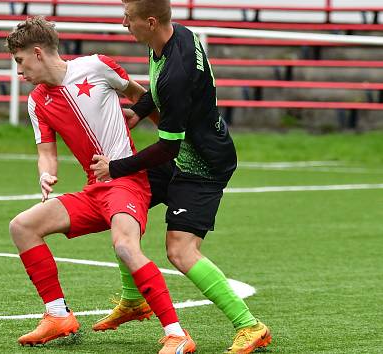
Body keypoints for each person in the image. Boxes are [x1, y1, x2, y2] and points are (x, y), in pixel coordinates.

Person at [89, 1, 272, 353]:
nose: (124, 22)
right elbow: (163, 96)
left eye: (129, 17)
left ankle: (251, 326)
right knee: (124, 202)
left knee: (181, 251)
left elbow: (167, 149)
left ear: (151, 21)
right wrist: (138, 112)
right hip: (187, 153)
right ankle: (133, 301)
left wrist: (115, 167)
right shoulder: (176, 37)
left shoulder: (176, 71)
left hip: (201, 164)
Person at [6, 16, 196, 354]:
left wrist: (174, 141)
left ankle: (176, 334)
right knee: (22, 226)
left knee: (124, 246)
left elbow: (143, 97)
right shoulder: (37, 101)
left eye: (20, 61)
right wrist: (45, 173)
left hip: (127, 182)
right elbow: (46, 153)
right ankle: (57, 315)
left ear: (37, 53)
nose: (19, 72)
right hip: (94, 190)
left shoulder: (97, 66)